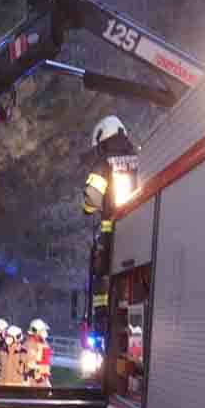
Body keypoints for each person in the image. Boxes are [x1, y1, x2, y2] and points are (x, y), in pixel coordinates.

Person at [82, 116, 137, 362]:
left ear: (103, 137)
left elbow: (92, 199)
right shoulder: (139, 158)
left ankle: (105, 323)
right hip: (140, 232)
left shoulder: (103, 163)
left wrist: (86, 206)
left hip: (111, 232)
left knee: (103, 281)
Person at [26, 318, 62, 408]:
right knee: (27, 402)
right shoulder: (30, 344)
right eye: (42, 331)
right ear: (36, 331)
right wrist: (36, 374)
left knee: (48, 398)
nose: (45, 333)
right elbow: (29, 362)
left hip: (43, 377)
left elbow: (45, 359)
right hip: (34, 378)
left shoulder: (42, 343)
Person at [0, 325, 30, 408]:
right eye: (6, 336)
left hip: (18, 383)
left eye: (9, 337)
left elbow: (26, 367)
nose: (7, 339)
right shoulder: (3, 350)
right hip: (4, 383)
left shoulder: (23, 351)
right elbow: (3, 365)